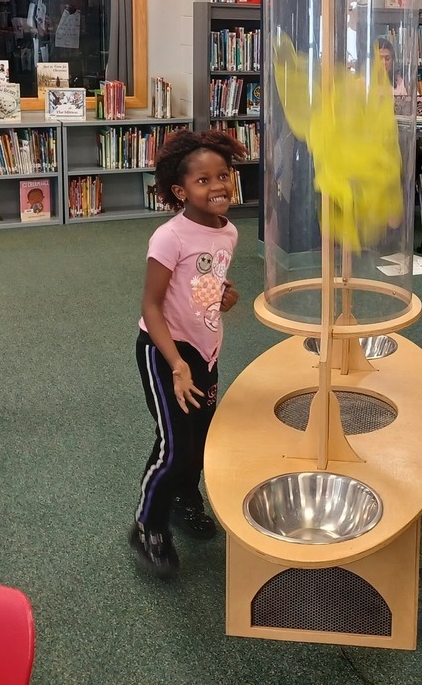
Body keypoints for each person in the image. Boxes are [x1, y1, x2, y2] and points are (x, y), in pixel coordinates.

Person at [130, 129, 247, 580]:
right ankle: (148, 525)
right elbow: (151, 306)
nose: (218, 185)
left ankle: (184, 498)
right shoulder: (169, 237)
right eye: (204, 180)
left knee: (200, 441)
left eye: (224, 175)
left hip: (205, 351)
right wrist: (177, 366)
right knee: (174, 445)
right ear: (180, 191)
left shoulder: (229, 231)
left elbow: (208, 283)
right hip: (165, 353)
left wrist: (224, 295)